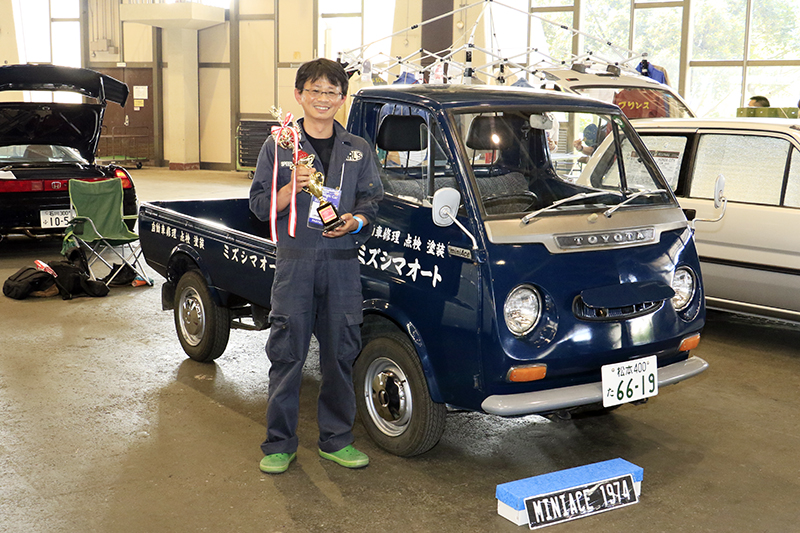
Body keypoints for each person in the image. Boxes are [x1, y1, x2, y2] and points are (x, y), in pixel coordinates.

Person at [249, 58, 384, 474]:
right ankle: (279, 444)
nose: (323, 99)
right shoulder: (279, 146)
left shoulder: (358, 149)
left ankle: (337, 440)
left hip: (342, 264)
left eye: (331, 92)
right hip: (296, 263)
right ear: (299, 95)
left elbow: (372, 201)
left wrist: (355, 221)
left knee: (340, 356)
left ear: (342, 99)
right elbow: (259, 206)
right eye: (314, 91)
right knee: (287, 355)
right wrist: (293, 186)